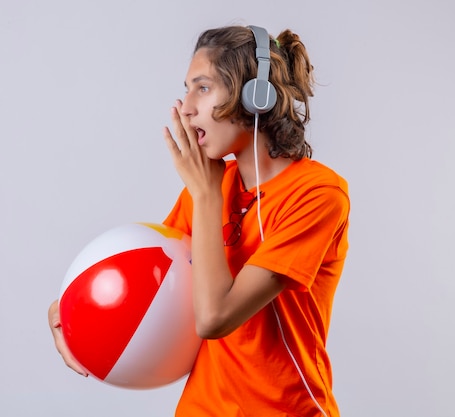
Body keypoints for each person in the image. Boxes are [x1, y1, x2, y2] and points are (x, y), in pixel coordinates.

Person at [48, 24, 350, 416]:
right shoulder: (208, 187)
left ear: (253, 96)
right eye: (187, 88)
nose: (186, 106)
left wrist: (206, 196)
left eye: (202, 88)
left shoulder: (317, 193)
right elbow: (147, 282)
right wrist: (65, 313)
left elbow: (214, 318)